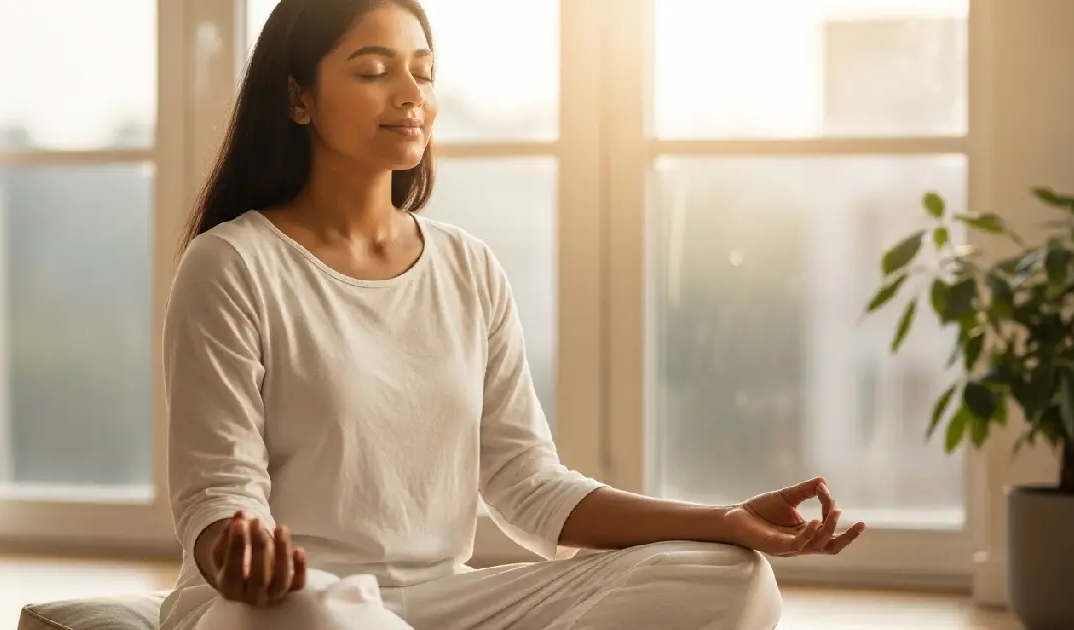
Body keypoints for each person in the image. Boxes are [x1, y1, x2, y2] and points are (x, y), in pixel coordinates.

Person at [158, 1, 866, 628]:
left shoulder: (468, 267)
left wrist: (722, 522)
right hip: (283, 604)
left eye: (424, 71)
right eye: (374, 71)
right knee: (306, 618)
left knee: (730, 578)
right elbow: (218, 496)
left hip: (439, 601)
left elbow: (529, 485)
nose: (411, 94)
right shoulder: (232, 263)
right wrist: (240, 555)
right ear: (298, 98)